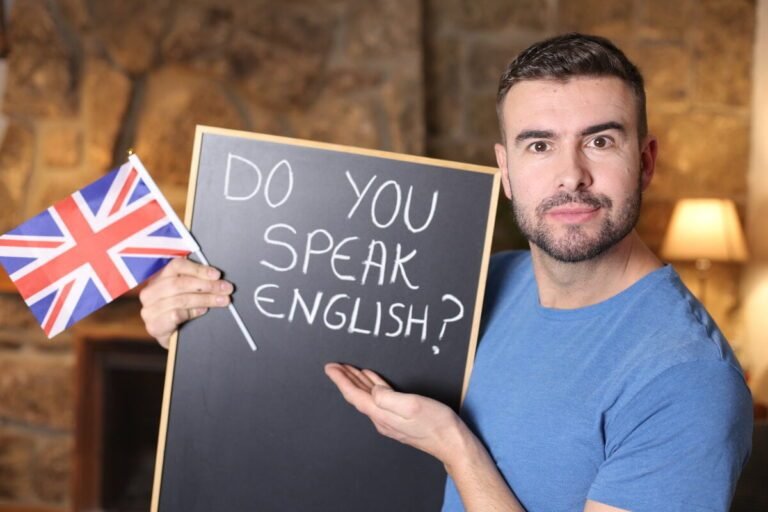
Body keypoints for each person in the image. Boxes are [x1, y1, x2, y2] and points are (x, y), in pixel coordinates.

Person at [140, 33, 753, 512]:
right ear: (506, 169)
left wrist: (456, 447)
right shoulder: (475, 284)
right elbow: (301, 371)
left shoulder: (686, 379)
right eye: (538, 145)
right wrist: (192, 324)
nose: (571, 175)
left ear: (644, 161)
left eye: (599, 141)